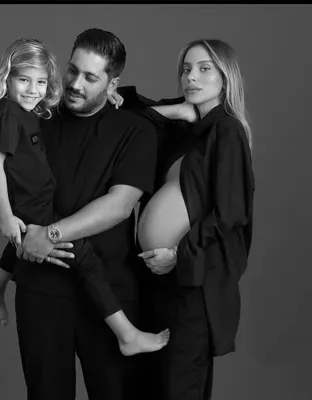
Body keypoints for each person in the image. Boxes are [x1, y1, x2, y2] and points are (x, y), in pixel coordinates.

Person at [0, 29, 166, 400]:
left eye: (91, 77)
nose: (76, 84)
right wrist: (19, 234)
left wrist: (49, 235)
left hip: (109, 293)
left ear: (112, 84)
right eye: (72, 70)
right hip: (40, 292)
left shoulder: (135, 129)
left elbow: (119, 205)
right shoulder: (35, 116)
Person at [114, 39, 255, 400]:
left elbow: (231, 213)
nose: (191, 77)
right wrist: (177, 111)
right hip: (155, 280)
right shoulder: (183, 133)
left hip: (192, 281)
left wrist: (178, 254)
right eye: (186, 69)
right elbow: (124, 120)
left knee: (181, 387)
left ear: (225, 78)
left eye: (204, 69)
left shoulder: (227, 130)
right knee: (150, 386)